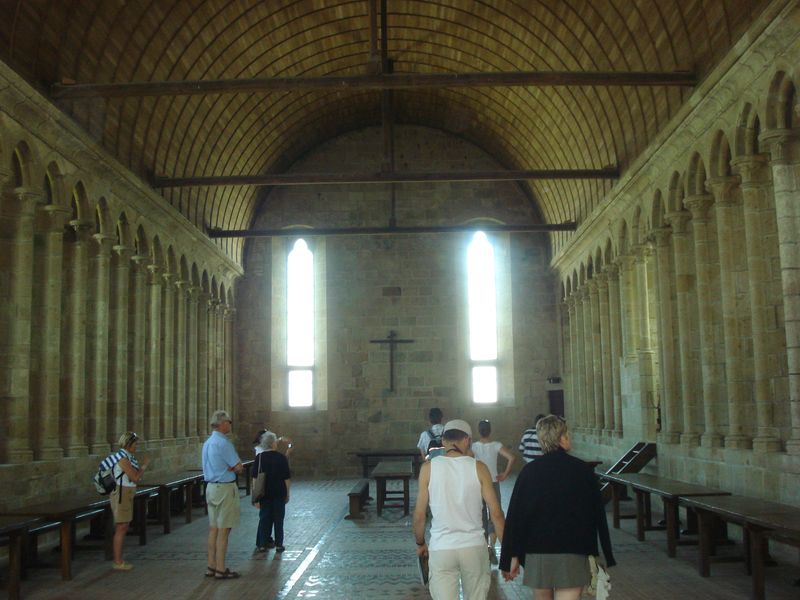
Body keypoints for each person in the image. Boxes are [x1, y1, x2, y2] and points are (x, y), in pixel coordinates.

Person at [499, 415, 616, 600]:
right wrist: (605, 553)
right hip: (573, 550)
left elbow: (516, 517)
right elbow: (597, 514)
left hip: (537, 551)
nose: (570, 438)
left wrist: (510, 556)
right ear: (562, 438)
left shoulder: (529, 472)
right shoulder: (582, 470)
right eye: (567, 435)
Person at [413, 419, 505, 600]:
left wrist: (420, 543)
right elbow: (496, 514)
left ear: (444, 441)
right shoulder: (479, 468)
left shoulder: (428, 468)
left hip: (442, 548)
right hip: (474, 547)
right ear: (467, 440)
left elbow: (419, 516)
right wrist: (508, 553)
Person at [202, 410, 244, 579]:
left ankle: (211, 566)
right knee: (224, 529)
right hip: (225, 489)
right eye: (229, 421)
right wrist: (234, 467)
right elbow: (239, 467)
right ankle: (220, 568)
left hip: (211, 488)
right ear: (222, 423)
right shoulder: (223, 443)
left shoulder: (208, 443)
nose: (230, 424)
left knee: (213, 529)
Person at [471, 419, 516, 561]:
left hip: (478, 483)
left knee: (481, 516)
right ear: (490, 431)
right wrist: (505, 474)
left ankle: (485, 549)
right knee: (494, 516)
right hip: (493, 483)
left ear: (479, 431)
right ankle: (491, 545)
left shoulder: (474, 447)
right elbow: (512, 458)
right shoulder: (496, 445)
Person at [110, 432, 149, 571]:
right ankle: (118, 561)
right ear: (128, 444)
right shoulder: (122, 458)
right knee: (121, 527)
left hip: (126, 493)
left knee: (124, 525)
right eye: (135, 444)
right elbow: (135, 477)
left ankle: (119, 559)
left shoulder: (127, 457)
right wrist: (144, 466)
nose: (136, 446)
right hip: (122, 493)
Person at [253, 431, 292, 553]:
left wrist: (255, 497)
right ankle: (279, 544)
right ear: (273, 443)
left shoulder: (259, 458)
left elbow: (255, 478)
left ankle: (262, 544)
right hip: (279, 493)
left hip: (264, 494)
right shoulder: (281, 458)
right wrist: (287, 493)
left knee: (264, 519)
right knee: (278, 520)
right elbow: (286, 478)